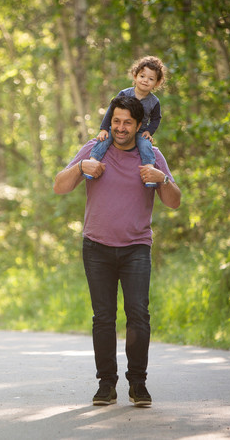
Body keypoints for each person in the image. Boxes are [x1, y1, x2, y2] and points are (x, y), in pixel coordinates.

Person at [53, 95, 181, 407]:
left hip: (136, 247)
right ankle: (106, 385)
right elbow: (59, 185)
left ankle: (138, 383)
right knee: (103, 317)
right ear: (110, 122)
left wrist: (161, 178)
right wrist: (81, 166)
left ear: (139, 126)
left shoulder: (151, 155)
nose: (120, 128)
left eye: (127, 123)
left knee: (138, 314)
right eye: (116, 121)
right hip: (96, 247)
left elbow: (175, 201)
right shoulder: (94, 149)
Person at [83, 56, 166, 188]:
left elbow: (156, 119)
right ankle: (93, 161)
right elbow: (111, 110)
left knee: (146, 146)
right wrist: (104, 128)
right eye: (142, 76)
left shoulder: (154, 102)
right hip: (119, 128)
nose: (145, 81)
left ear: (156, 83)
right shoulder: (125, 93)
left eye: (151, 79)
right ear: (135, 76)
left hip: (140, 131)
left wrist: (149, 132)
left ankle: (149, 170)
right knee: (104, 139)